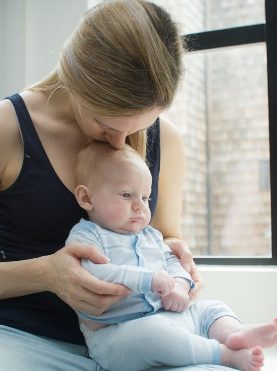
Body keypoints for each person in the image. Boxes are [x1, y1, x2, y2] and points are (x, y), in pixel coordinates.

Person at [0, 1, 212, 370]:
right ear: (76, 79)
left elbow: (164, 240)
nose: (120, 144)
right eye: (105, 124)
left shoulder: (168, 141)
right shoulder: (7, 129)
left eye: (135, 129)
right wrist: (47, 275)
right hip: (23, 340)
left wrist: (179, 264)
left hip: (139, 339)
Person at [65, 141, 277, 371]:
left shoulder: (150, 235)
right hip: (119, 335)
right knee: (155, 335)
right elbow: (94, 272)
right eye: (127, 195)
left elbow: (172, 261)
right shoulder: (87, 235)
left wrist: (179, 285)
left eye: (145, 198)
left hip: (170, 314)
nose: (140, 207)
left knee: (211, 309)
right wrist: (148, 279)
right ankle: (224, 355)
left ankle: (234, 333)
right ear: (87, 198)